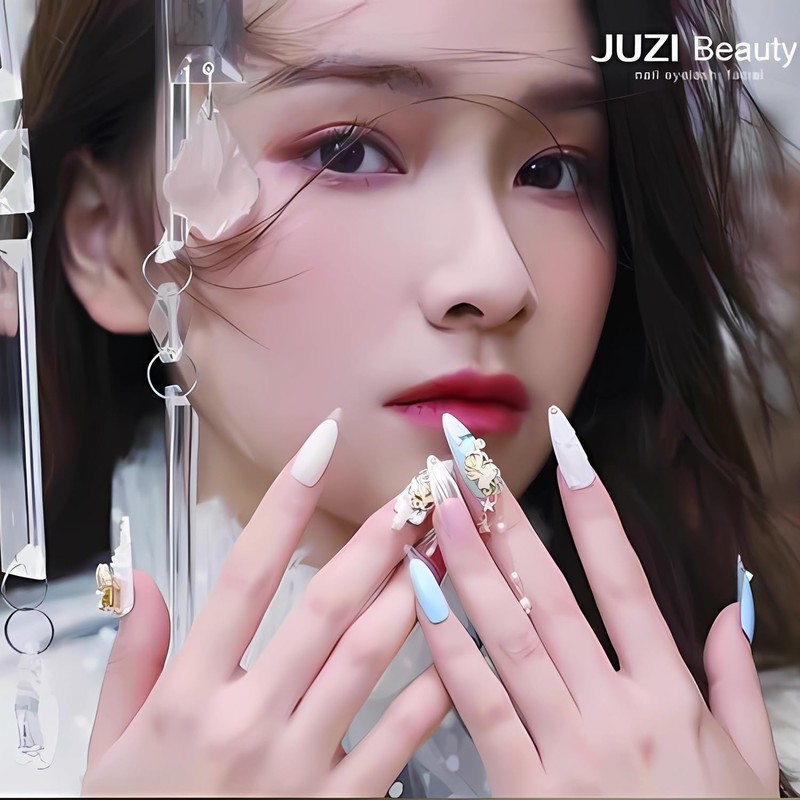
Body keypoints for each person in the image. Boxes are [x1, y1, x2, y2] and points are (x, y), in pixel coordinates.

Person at [4, 0, 799, 794]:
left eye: (554, 169)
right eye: (347, 152)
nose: (495, 278)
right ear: (109, 238)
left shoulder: (751, 750)